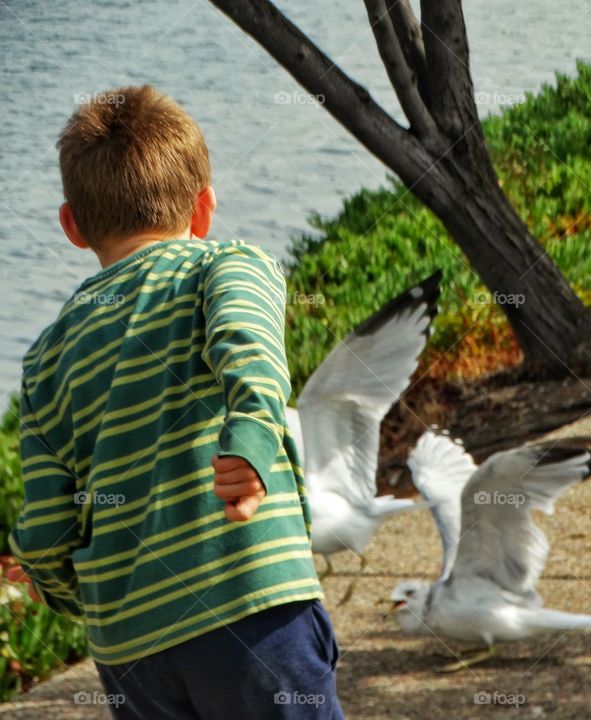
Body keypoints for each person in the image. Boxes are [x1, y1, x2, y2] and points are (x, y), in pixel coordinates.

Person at [5, 85, 343, 719]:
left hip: (131, 649)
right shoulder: (225, 264)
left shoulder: (46, 355)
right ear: (204, 207)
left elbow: (49, 524)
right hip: (249, 604)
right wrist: (248, 438)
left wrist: (67, 585)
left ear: (72, 226)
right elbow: (248, 343)